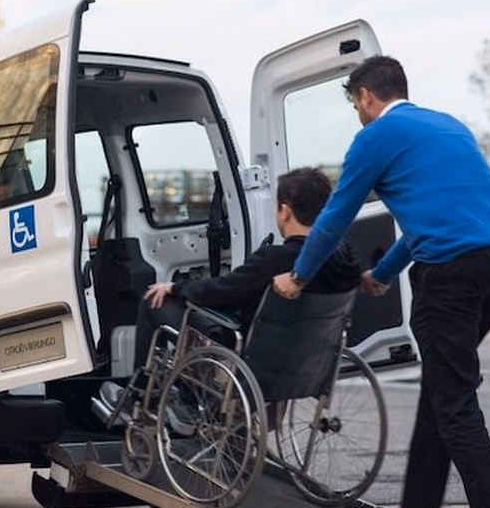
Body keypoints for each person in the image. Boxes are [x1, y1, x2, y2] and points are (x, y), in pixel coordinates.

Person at [272, 55, 490, 508]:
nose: (358, 116)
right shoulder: (447, 127)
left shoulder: (376, 137)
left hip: (452, 274)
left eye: (355, 105)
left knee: (453, 401)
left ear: (365, 96)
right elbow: (432, 220)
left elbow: (336, 215)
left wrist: (298, 276)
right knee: (441, 390)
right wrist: (384, 273)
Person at [99, 167, 359, 421]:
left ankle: (144, 398)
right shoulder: (343, 257)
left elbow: (222, 291)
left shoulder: (274, 258)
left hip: (249, 361)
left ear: (285, 211)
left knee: (155, 301)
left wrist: (176, 288)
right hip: (306, 367)